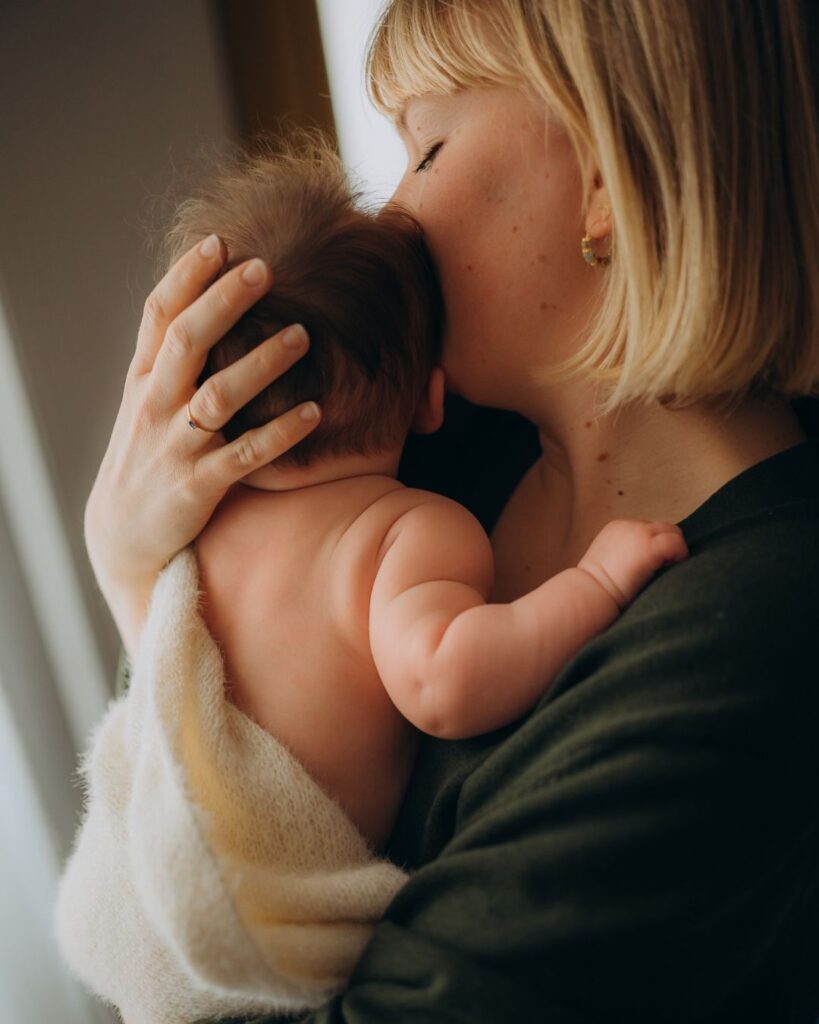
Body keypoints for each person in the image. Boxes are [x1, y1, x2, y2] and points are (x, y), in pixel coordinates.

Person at [81, 0, 819, 1021]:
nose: (393, 222)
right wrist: (137, 564)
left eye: (425, 149)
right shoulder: (445, 447)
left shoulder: (754, 636)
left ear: (604, 175)